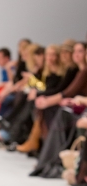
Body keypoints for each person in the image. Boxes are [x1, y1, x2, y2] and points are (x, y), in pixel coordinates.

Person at [30, 42, 87, 177]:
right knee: (53, 110)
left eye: (80, 51)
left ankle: (49, 159)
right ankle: (49, 158)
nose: (75, 55)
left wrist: (47, 101)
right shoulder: (78, 71)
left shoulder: (81, 71)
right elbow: (66, 91)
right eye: (75, 51)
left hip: (80, 108)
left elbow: (67, 92)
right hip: (78, 107)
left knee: (57, 112)